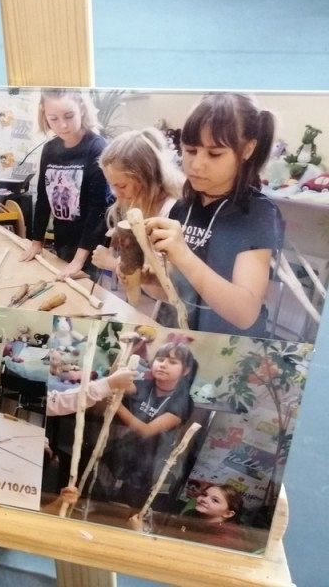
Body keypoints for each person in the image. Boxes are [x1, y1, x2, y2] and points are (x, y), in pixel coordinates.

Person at [144, 93, 284, 337]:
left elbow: (244, 314)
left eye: (215, 153)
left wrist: (183, 255)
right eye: (190, 150)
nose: (197, 164)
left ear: (247, 149)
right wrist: (149, 280)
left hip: (228, 346)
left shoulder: (257, 213)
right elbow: (174, 292)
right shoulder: (182, 207)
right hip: (182, 340)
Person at [19, 89, 111, 280]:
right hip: (63, 237)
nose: (62, 125)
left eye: (69, 116)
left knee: (83, 291)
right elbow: (44, 198)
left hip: (90, 245)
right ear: (44, 116)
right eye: (53, 119)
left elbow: (98, 210)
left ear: (82, 109)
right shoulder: (50, 149)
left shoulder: (97, 148)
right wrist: (37, 242)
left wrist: (79, 260)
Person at [104, 341, 196, 508]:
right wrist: (126, 351)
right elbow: (115, 382)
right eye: (160, 359)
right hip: (126, 450)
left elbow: (146, 431)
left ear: (186, 370)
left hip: (150, 463)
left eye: (172, 362)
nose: (163, 365)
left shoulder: (183, 402)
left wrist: (118, 407)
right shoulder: (146, 385)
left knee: (130, 504)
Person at [90, 128, 183, 273]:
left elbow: (163, 276)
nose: (117, 194)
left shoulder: (173, 211)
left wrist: (113, 264)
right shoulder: (138, 203)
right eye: (112, 186)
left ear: (146, 178)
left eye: (122, 186)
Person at [129, 483, 246, 550]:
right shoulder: (192, 514)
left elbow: (185, 558)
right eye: (204, 495)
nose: (204, 499)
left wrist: (140, 533)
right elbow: (170, 534)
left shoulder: (225, 538)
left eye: (215, 500)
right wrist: (150, 520)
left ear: (228, 513)